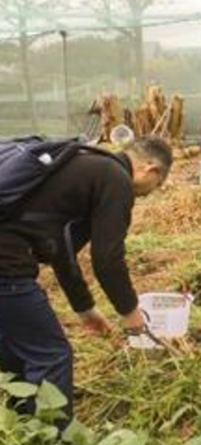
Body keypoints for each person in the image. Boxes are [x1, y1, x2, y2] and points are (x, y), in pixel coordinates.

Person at [0, 137, 172, 423]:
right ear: (150, 169)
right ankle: (51, 437)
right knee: (52, 356)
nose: (152, 192)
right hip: (6, 268)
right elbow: (108, 259)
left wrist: (85, 309)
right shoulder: (115, 178)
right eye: (158, 185)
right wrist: (131, 315)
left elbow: (62, 250)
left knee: (18, 354)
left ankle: (24, 428)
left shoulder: (83, 163)